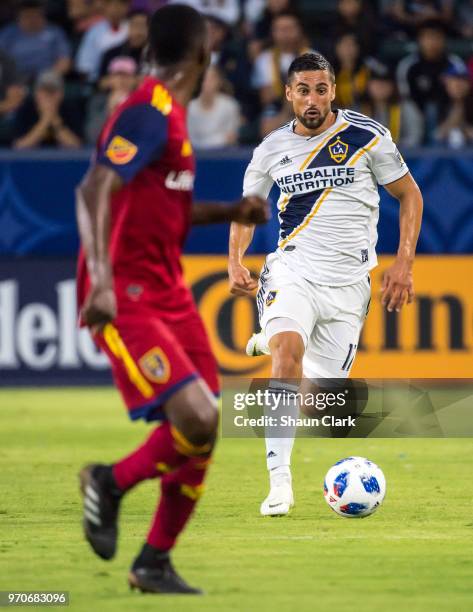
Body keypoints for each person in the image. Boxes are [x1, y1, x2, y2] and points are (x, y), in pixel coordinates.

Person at [76, 4, 268, 594]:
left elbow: (171, 211)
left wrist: (232, 213)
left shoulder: (170, 118)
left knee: (205, 427)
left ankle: (153, 561)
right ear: (205, 52)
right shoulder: (149, 110)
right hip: (127, 293)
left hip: (169, 291)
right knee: (196, 417)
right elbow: (92, 190)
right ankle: (109, 481)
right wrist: (103, 281)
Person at [228, 52, 423, 516]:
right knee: (289, 354)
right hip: (293, 269)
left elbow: (409, 193)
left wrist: (404, 263)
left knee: (321, 400)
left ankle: (263, 340)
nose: (312, 99)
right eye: (303, 90)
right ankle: (279, 484)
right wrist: (235, 259)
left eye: (321, 89)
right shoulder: (270, 149)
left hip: (349, 285)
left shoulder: (367, 136)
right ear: (289, 93)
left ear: (333, 90)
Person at [396, 19, 465, 142]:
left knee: (456, 135)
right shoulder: (409, 65)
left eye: (437, 37)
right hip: (417, 112)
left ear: (444, 40)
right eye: (428, 38)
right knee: (406, 108)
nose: (432, 42)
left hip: (447, 113)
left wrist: (447, 125)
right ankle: (412, 146)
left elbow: (460, 100)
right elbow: (406, 98)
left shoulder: (454, 64)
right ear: (420, 40)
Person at [0, 0, 71, 83]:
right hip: (14, 79)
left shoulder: (55, 32)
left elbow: (65, 61)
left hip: (47, 79)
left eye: (36, 16)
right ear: (18, 18)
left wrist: (50, 75)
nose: (32, 20)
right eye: (27, 16)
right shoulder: (8, 34)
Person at [361, 60, 424, 147]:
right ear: (368, 85)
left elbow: (414, 137)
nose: (380, 86)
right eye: (376, 82)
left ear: (393, 86)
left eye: (385, 82)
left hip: (401, 156)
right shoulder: (358, 109)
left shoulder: (406, 107)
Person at [13, 70, 82, 148]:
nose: (48, 96)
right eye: (45, 91)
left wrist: (54, 119)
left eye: (53, 91)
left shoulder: (70, 108)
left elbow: (75, 145)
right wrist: (45, 120)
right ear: (36, 93)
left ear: (61, 94)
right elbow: (20, 146)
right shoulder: (26, 108)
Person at [85, 56, 138, 144]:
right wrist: (109, 109)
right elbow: (92, 136)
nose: (122, 80)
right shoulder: (98, 101)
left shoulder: (143, 101)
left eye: (127, 75)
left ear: (135, 79)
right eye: (118, 75)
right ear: (109, 79)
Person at [75, 0, 130, 82]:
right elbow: (85, 64)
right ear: (105, 7)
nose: (115, 9)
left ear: (126, 8)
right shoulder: (94, 31)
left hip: (128, 79)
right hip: (99, 81)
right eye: (111, 5)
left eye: (119, 5)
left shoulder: (132, 28)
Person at [188, 65, 241, 148]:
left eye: (211, 79)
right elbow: (188, 139)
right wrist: (220, 139)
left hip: (224, 156)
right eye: (203, 79)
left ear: (218, 81)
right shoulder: (189, 107)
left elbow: (231, 138)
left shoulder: (230, 106)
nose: (207, 83)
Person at [99, 9, 149, 80]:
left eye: (143, 26)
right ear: (126, 27)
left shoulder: (154, 56)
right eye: (135, 25)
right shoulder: (111, 53)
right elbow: (101, 83)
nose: (139, 31)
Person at [435, 63, 473, 147]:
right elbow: (436, 136)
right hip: (437, 155)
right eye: (453, 79)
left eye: (463, 80)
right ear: (445, 82)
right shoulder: (436, 103)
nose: (458, 84)